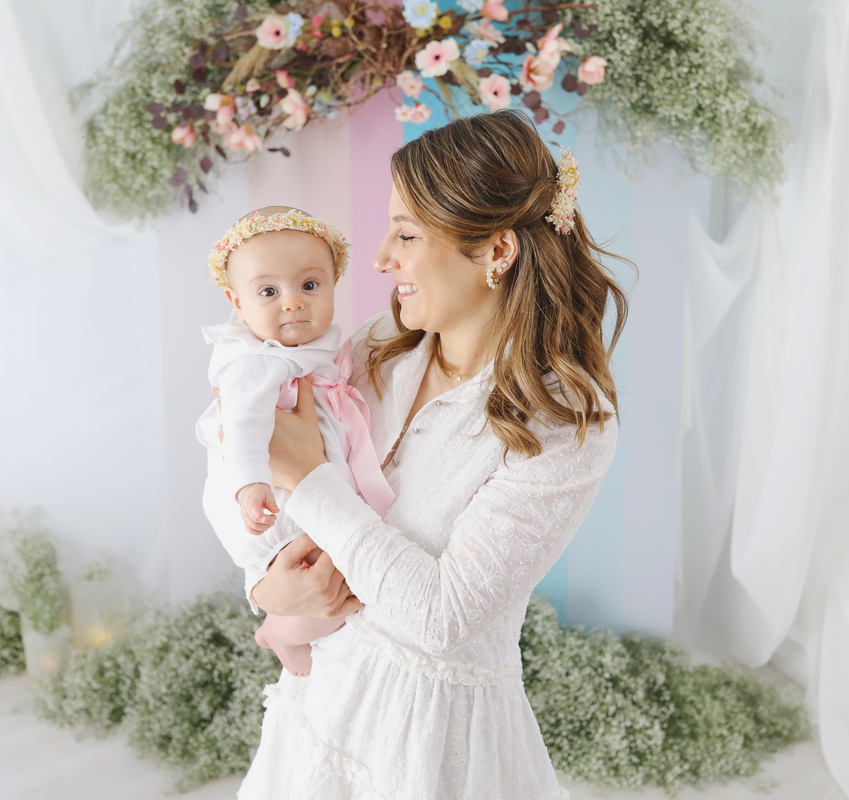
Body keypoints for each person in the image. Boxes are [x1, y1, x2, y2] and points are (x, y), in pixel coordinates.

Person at [215, 110, 628, 799]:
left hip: (430, 743)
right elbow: (256, 471)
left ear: (497, 252)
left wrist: (309, 477)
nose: (380, 259)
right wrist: (269, 590)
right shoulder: (379, 345)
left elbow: (443, 618)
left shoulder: (565, 421)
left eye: (406, 234)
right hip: (323, 696)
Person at [196, 206, 393, 677]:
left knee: (342, 587)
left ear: (332, 284)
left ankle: (294, 632)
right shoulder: (252, 361)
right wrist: (249, 485)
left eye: (309, 285)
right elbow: (240, 424)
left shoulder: (324, 346)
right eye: (269, 291)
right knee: (325, 600)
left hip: (311, 491)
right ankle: (280, 635)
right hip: (275, 505)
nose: (293, 302)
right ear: (236, 302)